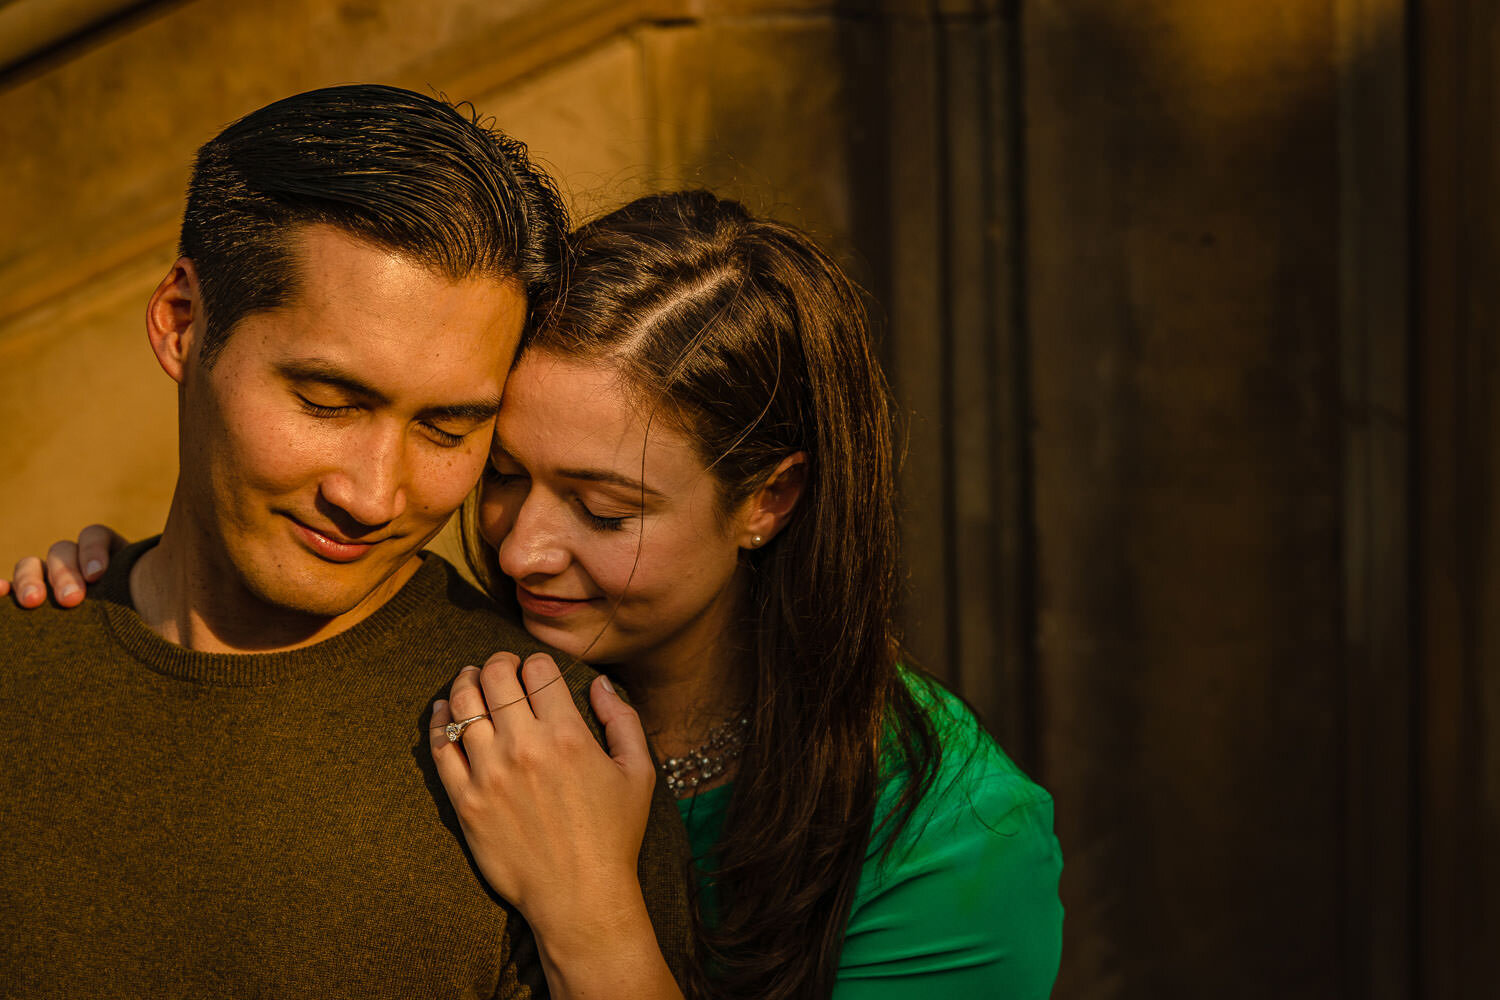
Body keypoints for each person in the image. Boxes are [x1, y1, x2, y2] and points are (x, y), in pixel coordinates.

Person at [11, 191, 1064, 998]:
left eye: (605, 511)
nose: (521, 551)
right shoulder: (450, 666)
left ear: (769, 500)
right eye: (502, 471)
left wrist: (592, 915)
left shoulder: (950, 835)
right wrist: (130, 600)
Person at [0, 84, 693, 998]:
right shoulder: (27, 660)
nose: (372, 496)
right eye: (328, 402)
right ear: (181, 323)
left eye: (449, 429)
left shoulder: (560, 761)